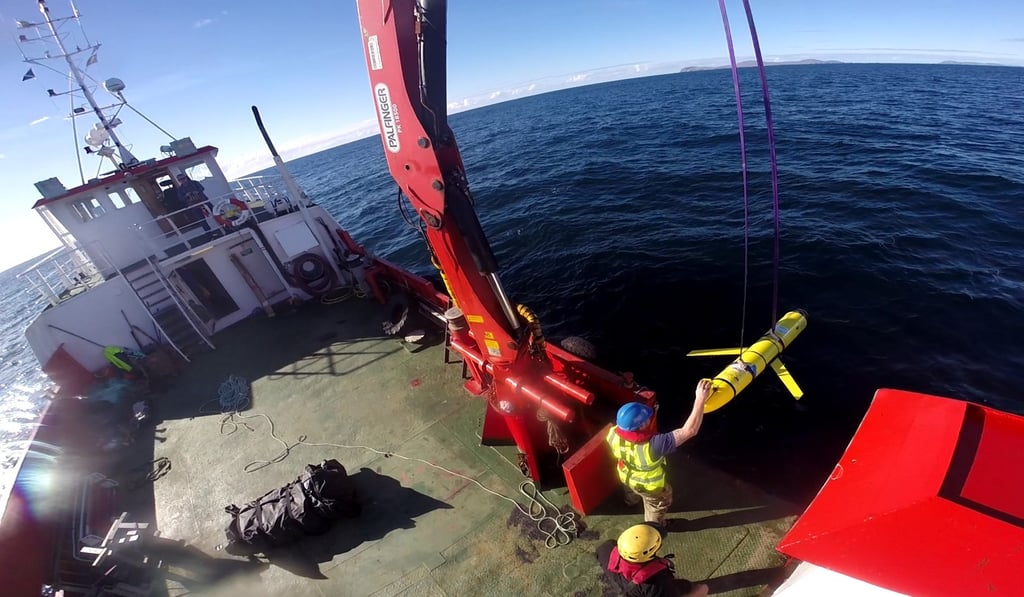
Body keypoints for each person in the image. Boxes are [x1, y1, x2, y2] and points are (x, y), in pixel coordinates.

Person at [606, 379, 713, 526]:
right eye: (646, 419)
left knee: (631, 490)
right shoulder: (654, 445)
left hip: (625, 474)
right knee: (657, 505)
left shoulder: (612, 433)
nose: (649, 419)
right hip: (650, 487)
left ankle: (630, 501)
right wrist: (700, 399)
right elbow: (690, 431)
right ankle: (655, 526)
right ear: (641, 425)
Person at [596, 523, 709, 597]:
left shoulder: (606, 548)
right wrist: (699, 593)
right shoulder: (657, 583)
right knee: (691, 587)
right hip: (647, 592)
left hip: (624, 586)